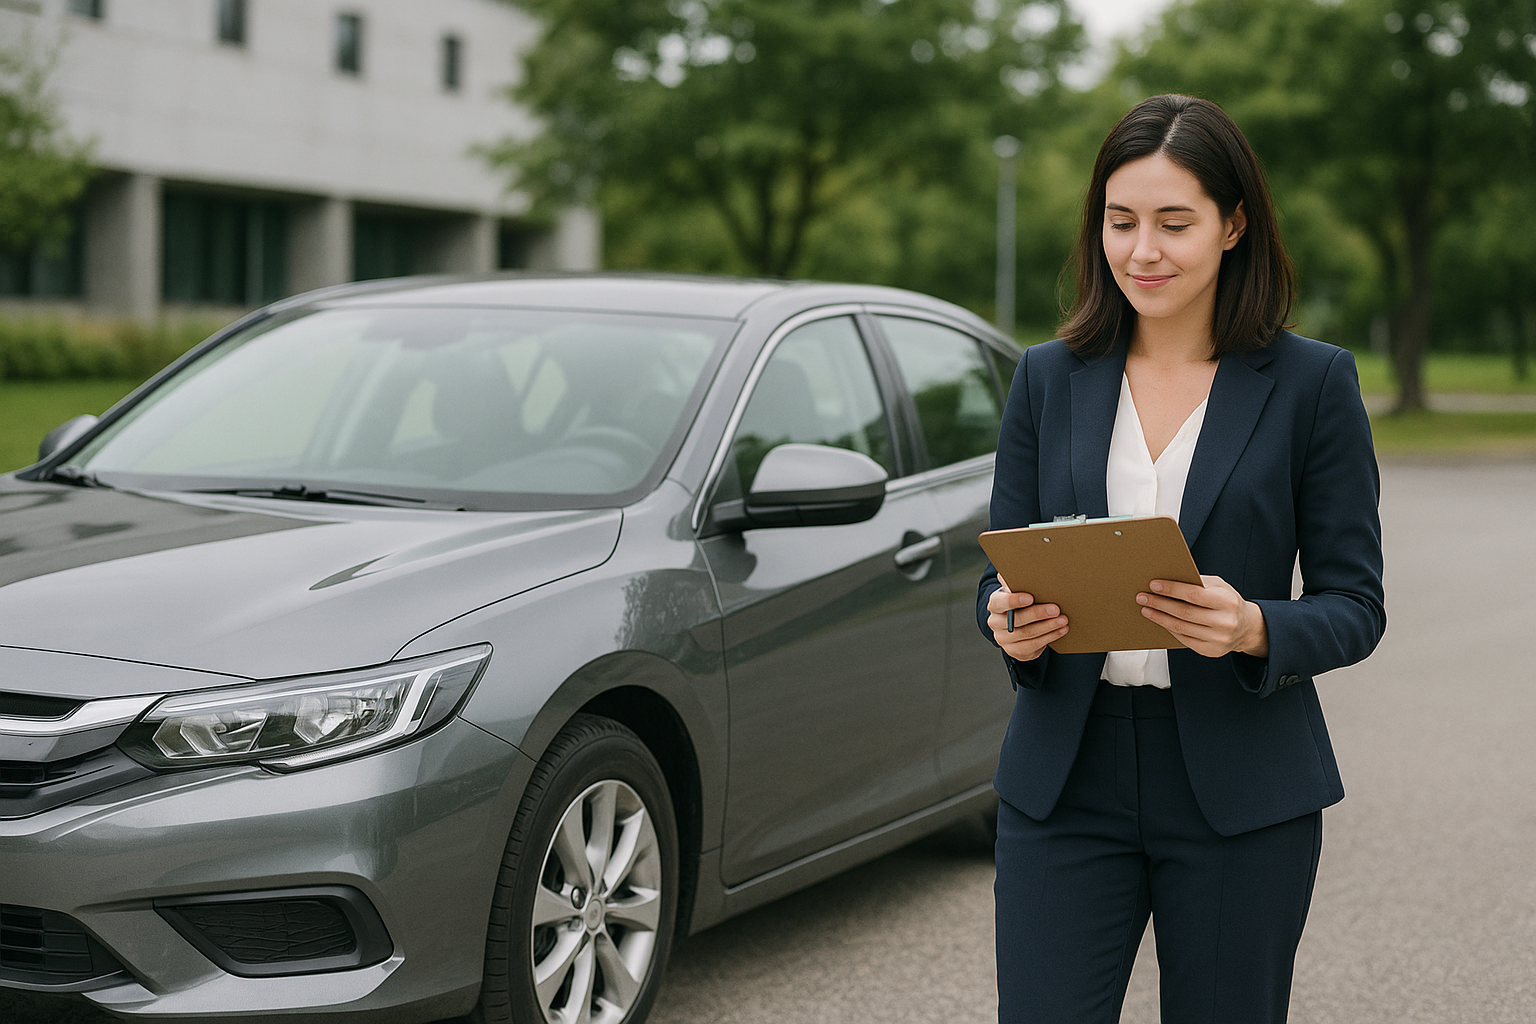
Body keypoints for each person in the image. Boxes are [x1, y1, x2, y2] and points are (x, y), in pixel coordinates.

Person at [977, 93, 1386, 1024]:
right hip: (1063, 783)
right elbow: (1000, 576)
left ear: (1235, 224)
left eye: (1174, 223)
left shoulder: (1313, 383)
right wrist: (1012, 625)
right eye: (1121, 222)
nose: (1142, 251)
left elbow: (1355, 603)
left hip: (1242, 790)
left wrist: (1253, 627)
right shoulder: (1047, 377)